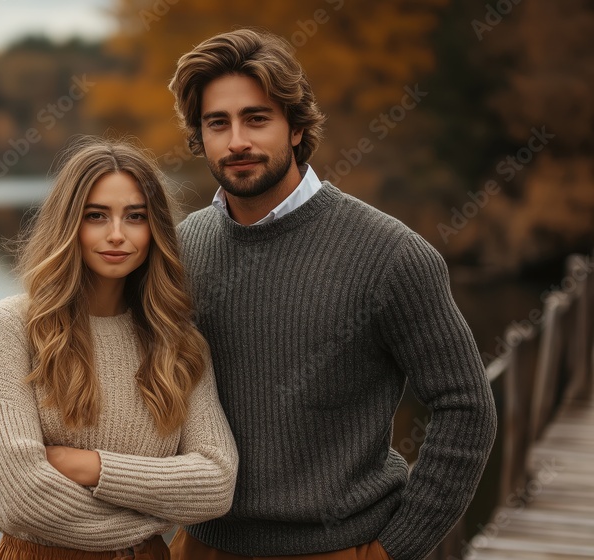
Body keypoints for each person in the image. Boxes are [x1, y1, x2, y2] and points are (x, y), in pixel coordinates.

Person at [166, 29, 498, 560]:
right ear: (199, 135)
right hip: (201, 546)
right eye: (217, 123)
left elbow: (466, 406)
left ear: (296, 127)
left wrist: (393, 549)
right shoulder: (183, 248)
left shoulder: (389, 255)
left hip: (338, 548)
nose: (236, 142)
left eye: (257, 118)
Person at [0, 136, 238, 560]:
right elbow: (19, 497)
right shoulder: (10, 329)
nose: (117, 235)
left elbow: (217, 483)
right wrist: (152, 524)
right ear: (68, 224)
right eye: (96, 216)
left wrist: (91, 466)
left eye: (135, 217)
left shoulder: (180, 342)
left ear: (154, 229)